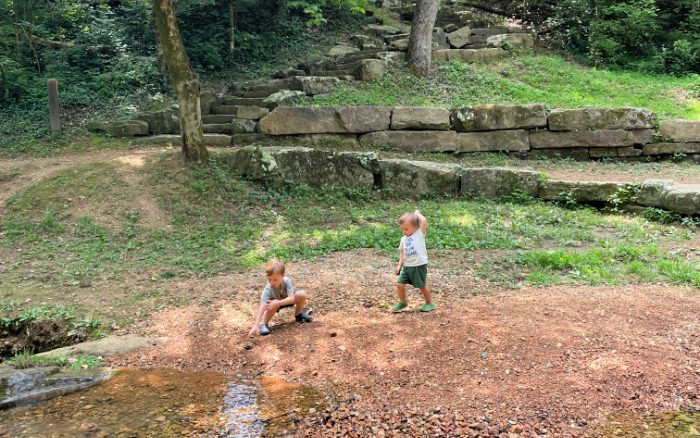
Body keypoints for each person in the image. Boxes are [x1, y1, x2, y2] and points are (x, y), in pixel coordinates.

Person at [248, 259, 312, 337]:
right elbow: (262, 307)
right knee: (271, 304)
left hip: (286, 300)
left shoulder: (287, 281)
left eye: (275, 279)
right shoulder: (268, 289)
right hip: (274, 305)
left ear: (282, 275)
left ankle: (298, 314)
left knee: (301, 294)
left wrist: (278, 302)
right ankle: (264, 324)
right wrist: (256, 324)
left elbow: (291, 298)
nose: (272, 282)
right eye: (269, 279)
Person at [392, 209, 435, 312]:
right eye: (402, 229)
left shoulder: (419, 234)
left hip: (419, 265)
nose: (404, 231)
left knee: (421, 285)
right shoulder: (403, 239)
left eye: (406, 229)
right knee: (399, 284)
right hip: (407, 266)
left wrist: (417, 214)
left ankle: (429, 303)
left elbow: (424, 221)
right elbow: (402, 252)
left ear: (415, 226)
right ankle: (403, 302)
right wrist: (399, 265)